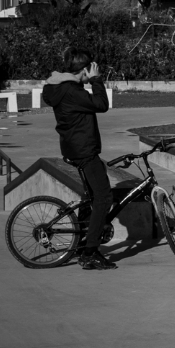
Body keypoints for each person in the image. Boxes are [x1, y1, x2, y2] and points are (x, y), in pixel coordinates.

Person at [42, 51, 115, 272]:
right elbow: (102, 104)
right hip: (83, 151)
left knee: (92, 196)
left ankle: (84, 236)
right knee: (104, 197)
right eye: (91, 69)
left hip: (74, 146)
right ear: (84, 70)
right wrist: (96, 79)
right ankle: (89, 253)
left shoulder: (60, 86)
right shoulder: (72, 91)